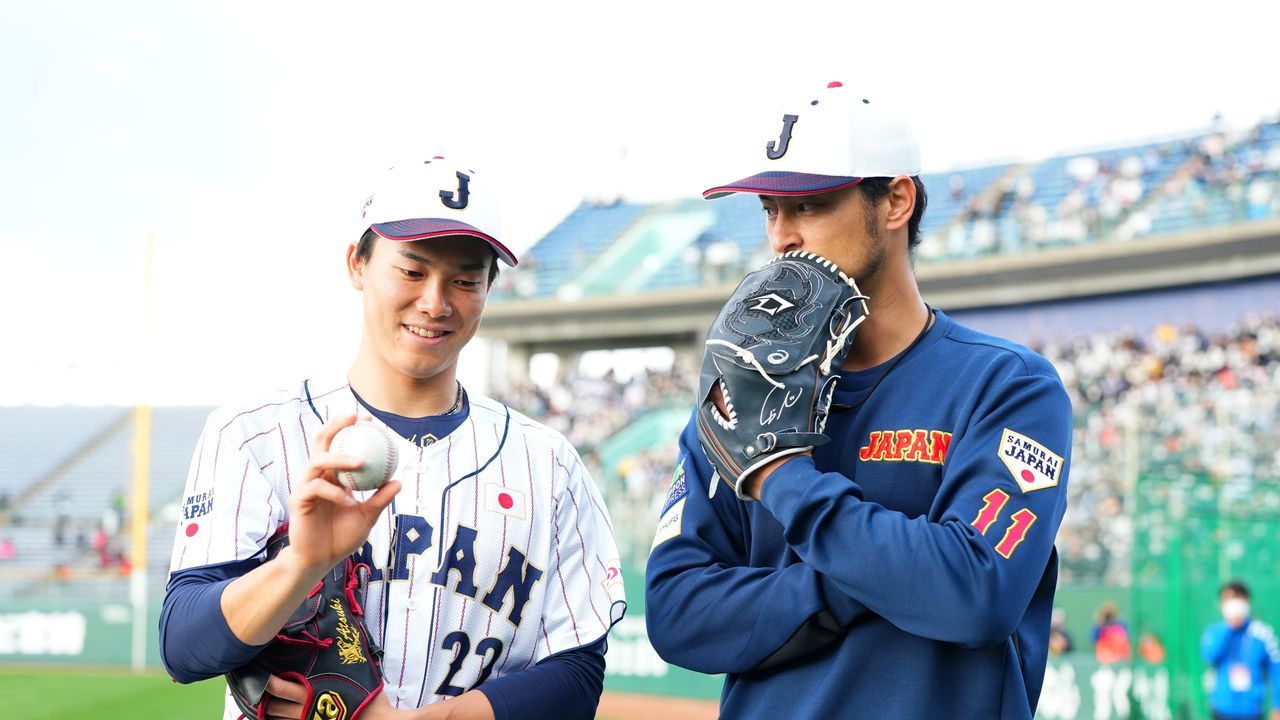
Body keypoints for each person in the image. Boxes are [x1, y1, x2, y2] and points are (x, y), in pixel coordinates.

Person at [644, 82, 1072, 719]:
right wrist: (889, 576)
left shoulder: (1010, 386)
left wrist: (781, 479)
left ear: (896, 200)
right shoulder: (737, 393)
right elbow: (677, 614)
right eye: (770, 210)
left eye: (810, 206)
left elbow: (976, 592)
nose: (782, 237)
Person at [159, 156, 626, 720]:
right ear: (357, 264)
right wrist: (300, 564)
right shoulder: (255, 434)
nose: (435, 301)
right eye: (412, 270)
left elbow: (576, 673)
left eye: (464, 279)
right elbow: (183, 646)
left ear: (488, 289)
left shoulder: (549, 464)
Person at [1201, 580, 1280, 720]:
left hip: (1252, 710)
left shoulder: (1262, 633)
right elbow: (1209, 655)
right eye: (1229, 599)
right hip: (1222, 709)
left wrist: (1278, 706)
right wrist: (1229, 628)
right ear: (1221, 604)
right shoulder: (1215, 632)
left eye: (1238, 598)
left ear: (1247, 601)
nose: (1234, 604)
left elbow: (1276, 669)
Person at [1092, 599, 1131, 664]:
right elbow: (1093, 637)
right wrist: (1098, 625)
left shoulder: (1120, 623)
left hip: (1120, 654)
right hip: (1104, 653)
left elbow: (1126, 638)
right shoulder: (1100, 624)